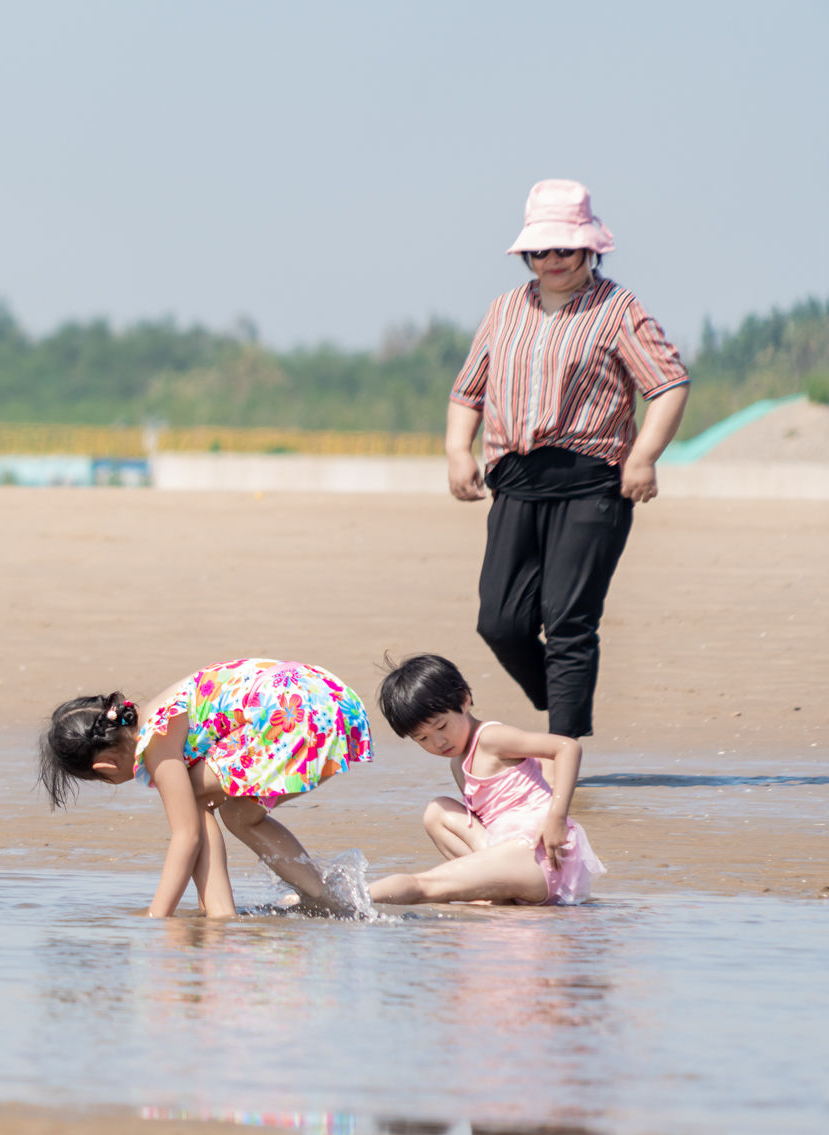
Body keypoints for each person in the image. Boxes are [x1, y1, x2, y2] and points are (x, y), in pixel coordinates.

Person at [446, 179, 690, 739]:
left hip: (592, 482)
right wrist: (458, 451)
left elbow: (669, 385)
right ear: (526, 253)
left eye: (565, 249)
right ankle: (558, 698)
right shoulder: (505, 309)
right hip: (515, 478)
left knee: (568, 623)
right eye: (540, 250)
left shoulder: (618, 308)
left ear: (590, 248)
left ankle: (564, 748)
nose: (552, 260)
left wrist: (644, 458)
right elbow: (468, 391)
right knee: (500, 621)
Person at [39, 659, 373, 918]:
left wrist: (159, 914)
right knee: (238, 813)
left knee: (195, 798)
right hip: (331, 699)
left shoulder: (156, 744)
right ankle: (324, 898)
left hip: (297, 715)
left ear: (106, 766)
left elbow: (188, 836)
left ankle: (221, 915)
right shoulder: (157, 711)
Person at [367, 654, 604, 906]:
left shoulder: (490, 738)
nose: (438, 742)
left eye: (441, 726)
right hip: (507, 848)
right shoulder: (458, 763)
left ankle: (348, 898)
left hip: (538, 851)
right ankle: (493, 896)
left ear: (464, 700)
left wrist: (556, 819)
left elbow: (566, 747)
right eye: (422, 739)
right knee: (436, 812)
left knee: (425, 886)